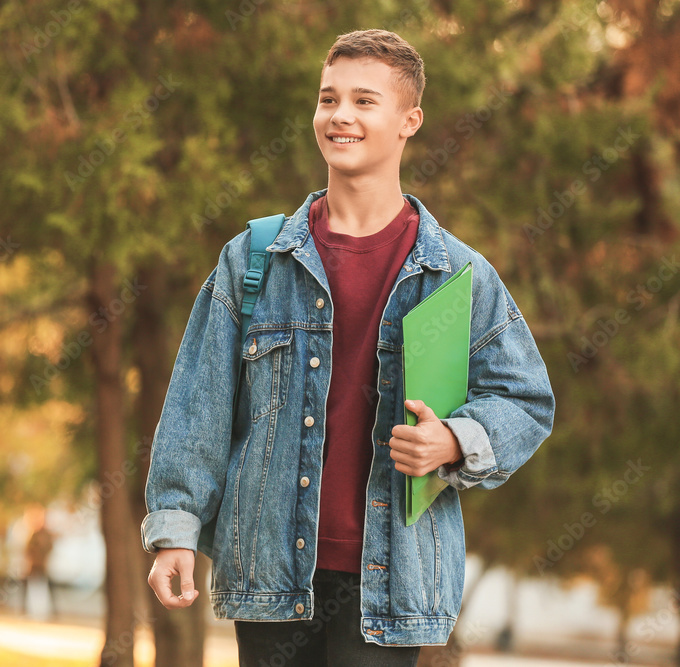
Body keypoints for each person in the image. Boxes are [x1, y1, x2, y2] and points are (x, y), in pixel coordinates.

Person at [140, 28, 556, 667]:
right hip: (271, 572)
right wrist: (175, 528)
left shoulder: (457, 274)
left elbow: (526, 399)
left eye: (365, 101)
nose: (340, 115)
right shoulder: (255, 260)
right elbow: (198, 405)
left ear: (408, 121)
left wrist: (454, 439)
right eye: (328, 98)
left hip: (392, 582)